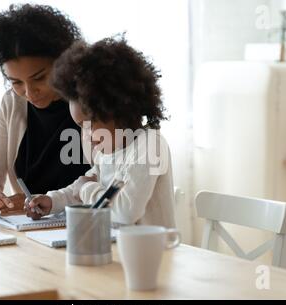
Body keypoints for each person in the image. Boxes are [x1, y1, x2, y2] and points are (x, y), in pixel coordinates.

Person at [24, 36, 176, 228]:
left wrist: (86, 188)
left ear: (118, 108)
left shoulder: (151, 144)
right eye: (80, 126)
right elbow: (82, 188)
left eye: (90, 122)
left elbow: (126, 212)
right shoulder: (106, 152)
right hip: (117, 250)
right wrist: (52, 201)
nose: (86, 135)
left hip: (156, 253)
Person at [0, 4, 91, 214]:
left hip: (92, 224)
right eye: (16, 82)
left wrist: (48, 203)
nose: (29, 92)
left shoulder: (95, 101)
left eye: (39, 78)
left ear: (63, 61)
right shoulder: (10, 105)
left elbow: (113, 181)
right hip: (35, 231)